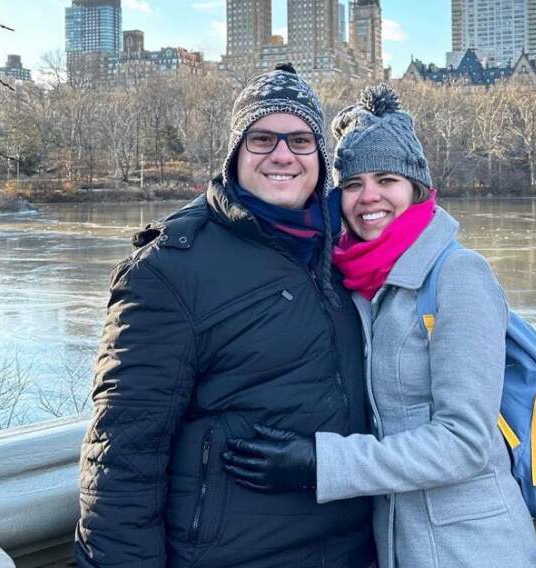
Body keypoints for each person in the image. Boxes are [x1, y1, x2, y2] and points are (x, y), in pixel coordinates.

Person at [223, 85, 536, 568]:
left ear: (416, 188)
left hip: (476, 548)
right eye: (352, 184)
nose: (368, 197)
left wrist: (320, 462)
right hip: (396, 546)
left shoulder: (458, 275)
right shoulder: (356, 283)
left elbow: (466, 443)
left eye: (387, 179)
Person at [74, 64, 375, 568]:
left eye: (300, 140)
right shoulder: (169, 270)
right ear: (235, 153)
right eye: (262, 139)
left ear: (321, 158)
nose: (283, 154)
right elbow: (122, 459)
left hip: (358, 549)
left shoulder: (347, 250)